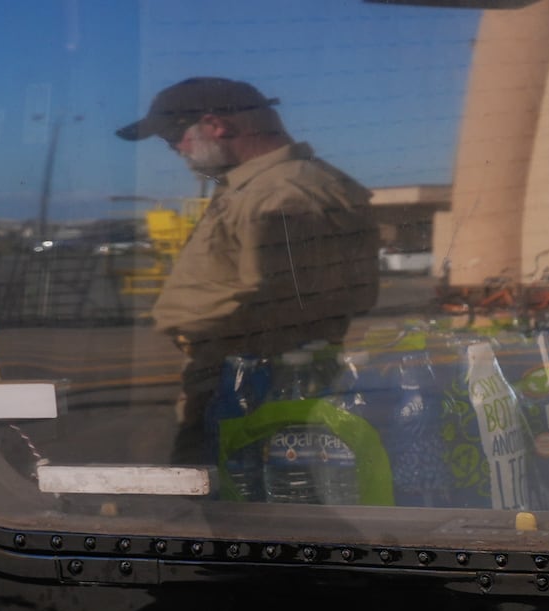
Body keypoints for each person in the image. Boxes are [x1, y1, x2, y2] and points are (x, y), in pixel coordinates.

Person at [117, 77, 379, 463]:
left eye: (174, 136)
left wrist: (204, 332)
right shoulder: (256, 187)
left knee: (242, 514)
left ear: (216, 125)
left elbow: (290, 310)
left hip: (258, 394)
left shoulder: (283, 194)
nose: (174, 149)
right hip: (239, 385)